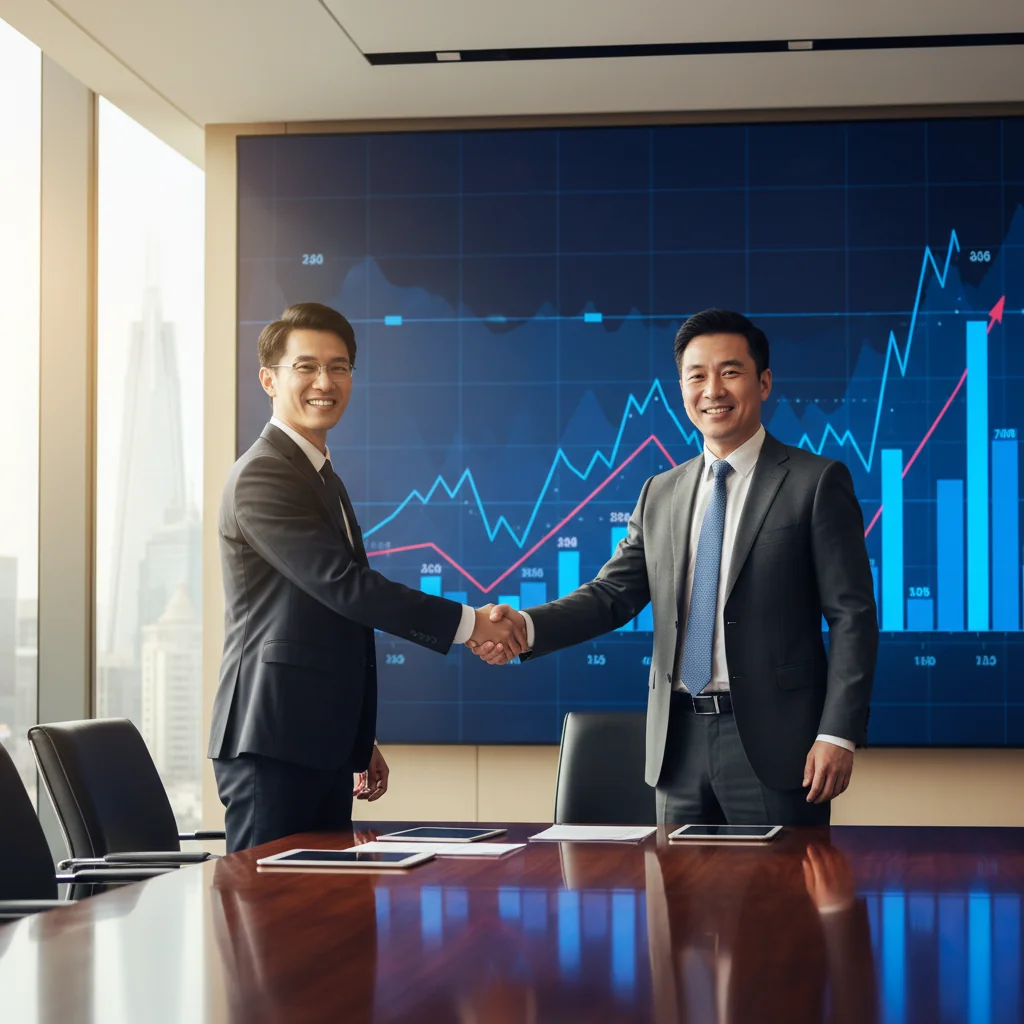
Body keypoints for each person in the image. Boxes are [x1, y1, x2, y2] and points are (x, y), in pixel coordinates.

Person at [470, 309, 877, 826]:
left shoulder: (814, 482)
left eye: (730, 372)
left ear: (764, 382)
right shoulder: (660, 492)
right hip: (675, 746)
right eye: (697, 376)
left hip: (779, 748)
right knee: (676, 904)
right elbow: (611, 595)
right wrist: (525, 627)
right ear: (681, 388)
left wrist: (836, 732)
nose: (713, 390)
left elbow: (852, 617)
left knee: (781, 905)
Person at [209, 302, 526, 852]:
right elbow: (344, 588)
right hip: (272, 742)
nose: (324, 382)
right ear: (269, 378)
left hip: (313, 740)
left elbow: (326, 618)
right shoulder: (264, 475)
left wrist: (355, 737)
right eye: (305, 367)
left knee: (323, 918)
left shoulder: (319, 475)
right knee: (268, 923)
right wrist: (472, 622)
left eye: (339, 367)